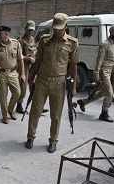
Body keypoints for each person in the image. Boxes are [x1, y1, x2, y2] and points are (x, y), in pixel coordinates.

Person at [25, 13, 78, 153]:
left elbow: (73, 66)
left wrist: (73, 87)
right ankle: (30, 136)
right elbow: (38, 61)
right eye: (55, 28)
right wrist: (31, 76)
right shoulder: (44, 40)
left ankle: (53, 140)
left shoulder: (72, 43)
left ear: (65, 26)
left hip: (59, 82)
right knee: (35, 111)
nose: (57, 31)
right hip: (42, 80)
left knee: (55, 115)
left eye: (59, 28)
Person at [76, 25, 114, 123]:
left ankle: (83, 102)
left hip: (110, 71)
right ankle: (104, 113)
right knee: (110, 94)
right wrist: (96, 73)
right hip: (103, 71)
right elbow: (99, 60)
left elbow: (113, 59)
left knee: (102, 93)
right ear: (112, 32)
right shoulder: (105, 44)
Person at [0, 25, 25, 124]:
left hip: (13, 73)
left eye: (0, 34)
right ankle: (5, 116)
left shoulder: (16, 43)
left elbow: (20, 59)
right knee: (3, 96)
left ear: (6, 34)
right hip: (1, 73)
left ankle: (10, 109)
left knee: (17, 93)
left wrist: (22, 74)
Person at [17, 20, 37, 114]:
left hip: (32, 67)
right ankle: (19, 105)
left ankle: (36, 106)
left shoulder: (33, 39)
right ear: (25, 29)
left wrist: (34, 57)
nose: (30, 32)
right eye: (29, 30)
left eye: (32, 30)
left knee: (34, 87)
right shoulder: (20, 41)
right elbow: (18, 56)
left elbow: (35, 51)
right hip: (23, 67)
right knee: (23, 89)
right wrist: (27, 58)